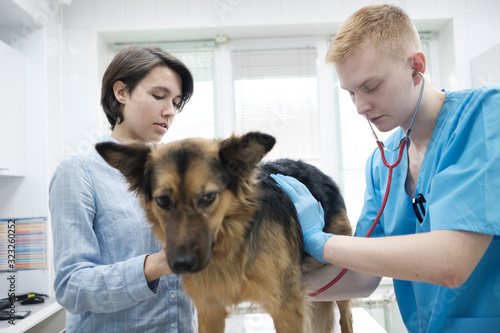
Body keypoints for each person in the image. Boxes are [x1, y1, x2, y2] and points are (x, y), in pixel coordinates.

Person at [272, 4, 500, 333]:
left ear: (416, 67)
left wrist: (322, 243)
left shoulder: (484, 117)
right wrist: (262, 286)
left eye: (372, 87)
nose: (360, 107)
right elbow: (362, 278)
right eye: (350, 93)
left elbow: (451, 263)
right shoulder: (382, 164)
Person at [49, 45, 197, 332]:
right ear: (121, 92)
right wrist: (156, 265)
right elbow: (72, 287)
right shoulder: (80, 171)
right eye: (158, 96)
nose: (170, 111)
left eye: (176, 102)